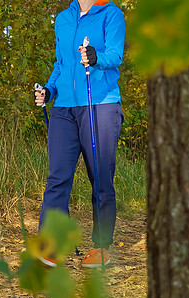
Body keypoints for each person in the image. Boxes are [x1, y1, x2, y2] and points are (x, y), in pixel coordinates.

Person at [34, 0, 125, 268]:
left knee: (100, 175)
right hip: (63, 107)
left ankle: (101, 247)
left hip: (100, 103)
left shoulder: (111, 14)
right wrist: (49, 90)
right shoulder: (63, 18)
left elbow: (115, 55)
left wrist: (97, 58)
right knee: (57, 176)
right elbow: (60, 63)